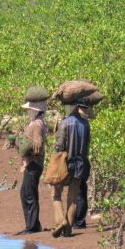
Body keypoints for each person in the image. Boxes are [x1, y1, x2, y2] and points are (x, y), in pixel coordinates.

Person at [51, 101, 90, 238]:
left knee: (55, 194)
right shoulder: (86, 124)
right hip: (81, 164)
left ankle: (61, 221)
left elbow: (59, 146)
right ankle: (68, 230)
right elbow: (86, 146)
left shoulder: (65, 123)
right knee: (73, 197)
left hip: (65, 163)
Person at [17, 86, 49, 234]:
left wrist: (23, 149)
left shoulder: (36, 124)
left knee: (28, 194)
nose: (28, 112)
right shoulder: (39, 122)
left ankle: (32, 227)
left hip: (34, 163)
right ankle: (33, 225)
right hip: (34, 163)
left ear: (35, 110)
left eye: (30, 109)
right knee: (27, 193)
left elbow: (37, 146)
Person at [73, 104, 96, 229]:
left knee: (79, 192)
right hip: (84, 161)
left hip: (79, 161)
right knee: (82, 190)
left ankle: (79, 221)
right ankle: (80, 220)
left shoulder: (80, 124)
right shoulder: (85, 124)